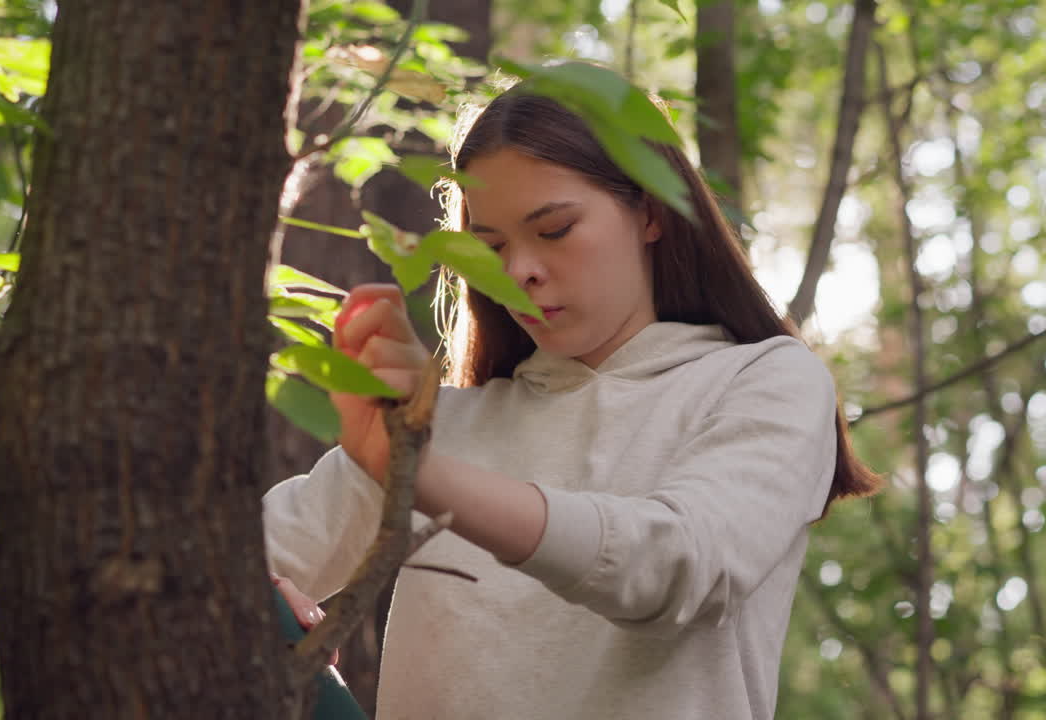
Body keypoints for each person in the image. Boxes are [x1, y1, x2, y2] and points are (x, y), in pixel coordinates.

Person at [263, 86, 881, 720]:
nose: (522, 270)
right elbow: (206, 561)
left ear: (650, 211)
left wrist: (423, 475)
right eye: (492, 246)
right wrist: (264, 606)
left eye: (554, 229)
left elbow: (681, 566)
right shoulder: (440, 423)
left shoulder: (765, 381)